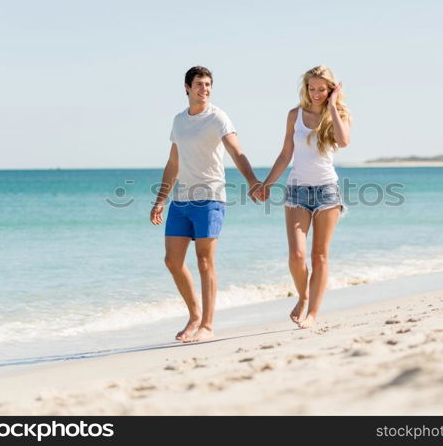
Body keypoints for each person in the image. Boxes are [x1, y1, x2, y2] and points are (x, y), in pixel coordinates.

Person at [150, 66, 262, 343]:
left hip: (211, 197)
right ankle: (195, 315)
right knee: (172, 260)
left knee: (204, 261)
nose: (205, 89)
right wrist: (160, 199)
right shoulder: (178, 120)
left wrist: (252, 181)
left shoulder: (218, 117)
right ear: (187, 87)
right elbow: (173, 162)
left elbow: (236, 151)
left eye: (209, 84)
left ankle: (208, 325)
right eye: (200, 84)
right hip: (181, 200)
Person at [254, 65, 351, 329]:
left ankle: (313, 313)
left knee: (319, 256)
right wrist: (266, 183)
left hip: (327, 192)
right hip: (297, 190)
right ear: (305, 88)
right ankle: (303, 295)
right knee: (297, 255)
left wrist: (332, 106)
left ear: (330, 89)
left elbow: (344, 141)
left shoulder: (337, 114)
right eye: (312, 88)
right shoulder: (294, 115)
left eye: (322, 89)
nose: (317, 93)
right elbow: (286, 154)